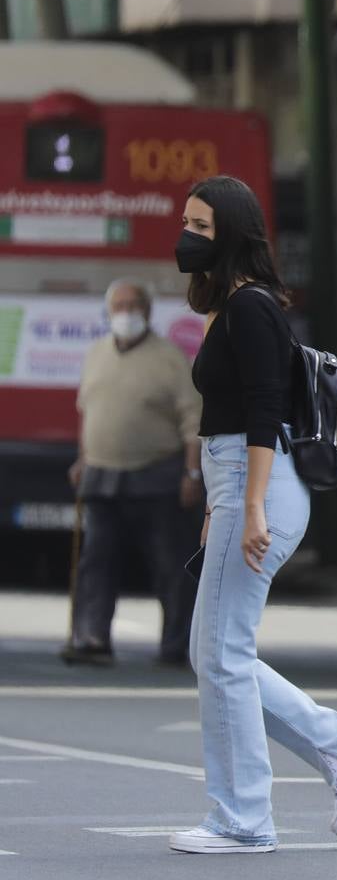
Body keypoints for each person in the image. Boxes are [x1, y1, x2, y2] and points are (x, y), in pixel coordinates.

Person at [168, 175, 337, 855]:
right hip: (235, 484)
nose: (187, 235)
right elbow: (230, 415)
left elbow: (264, 412)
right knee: (213, 651)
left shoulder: (253, 308)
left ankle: (244, 820)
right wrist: (221, 506)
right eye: (187, 223)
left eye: (201, 226)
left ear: (231, 232)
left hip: (255, 482)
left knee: (222, 653)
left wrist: (250, 505)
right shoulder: (231, 307)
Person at [63, 278, 204, 667]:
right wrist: (83, 459)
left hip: (158, 474)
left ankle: (178, 645)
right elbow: (88, 412)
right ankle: (91, 636)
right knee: (96, 561)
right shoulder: (96, 354)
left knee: (171, 563)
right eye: (119, 306)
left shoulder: (170, 358)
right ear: (108, 313)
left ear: (147, 310)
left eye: (133, 305)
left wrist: (192, 475)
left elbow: (193, 422)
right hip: (103, 474)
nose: (126, 313)